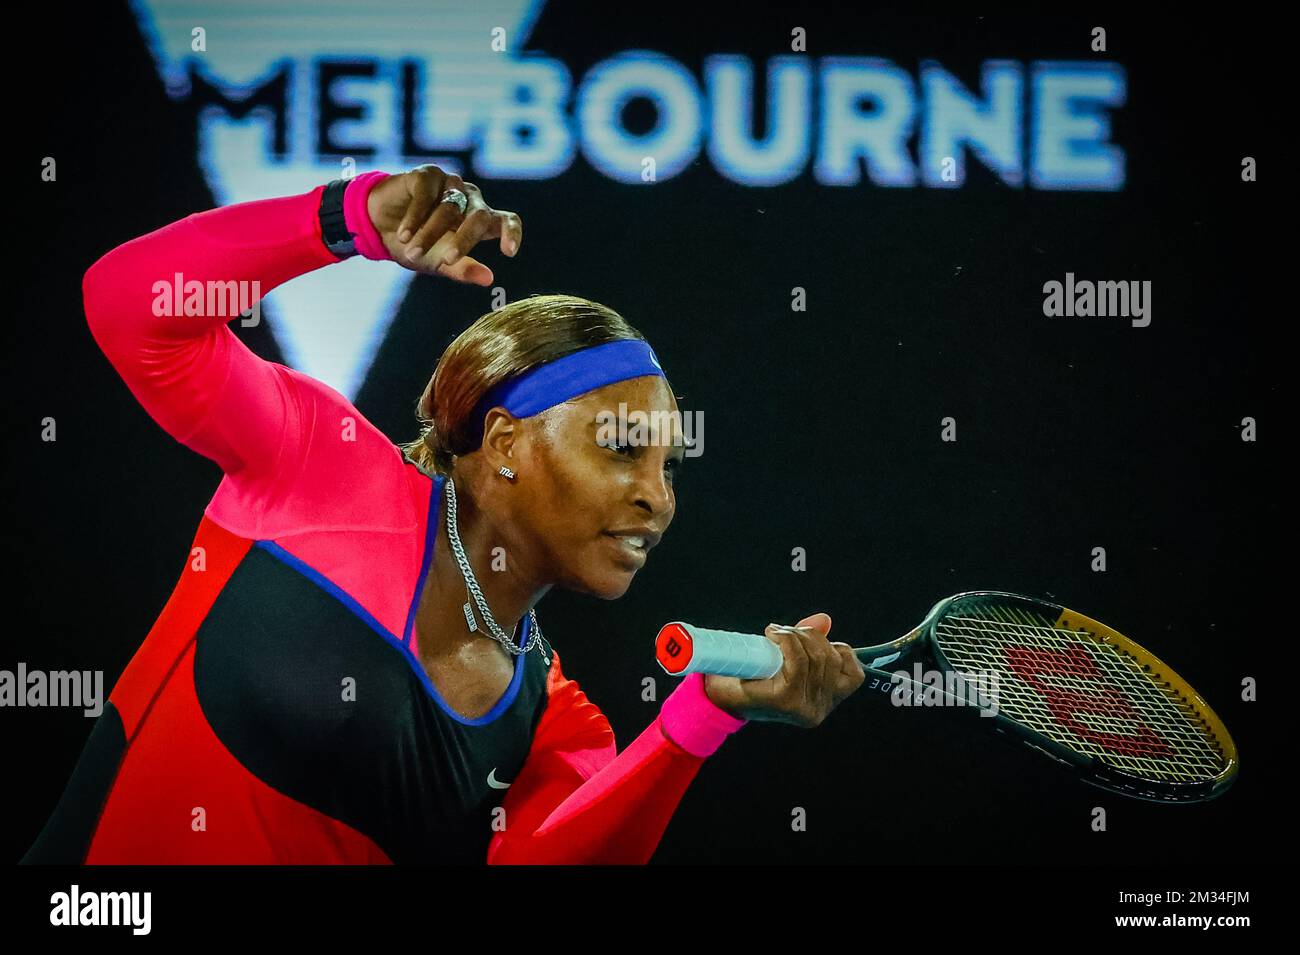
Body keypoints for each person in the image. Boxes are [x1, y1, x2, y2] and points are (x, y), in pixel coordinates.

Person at [21, 165, 865, 864]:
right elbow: (126, 305)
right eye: (620, 447)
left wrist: (704, 716)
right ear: (504, 440)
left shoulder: (558, 725)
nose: (658, 495)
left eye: (669, 465)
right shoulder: (319, 462)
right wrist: (342, 218)